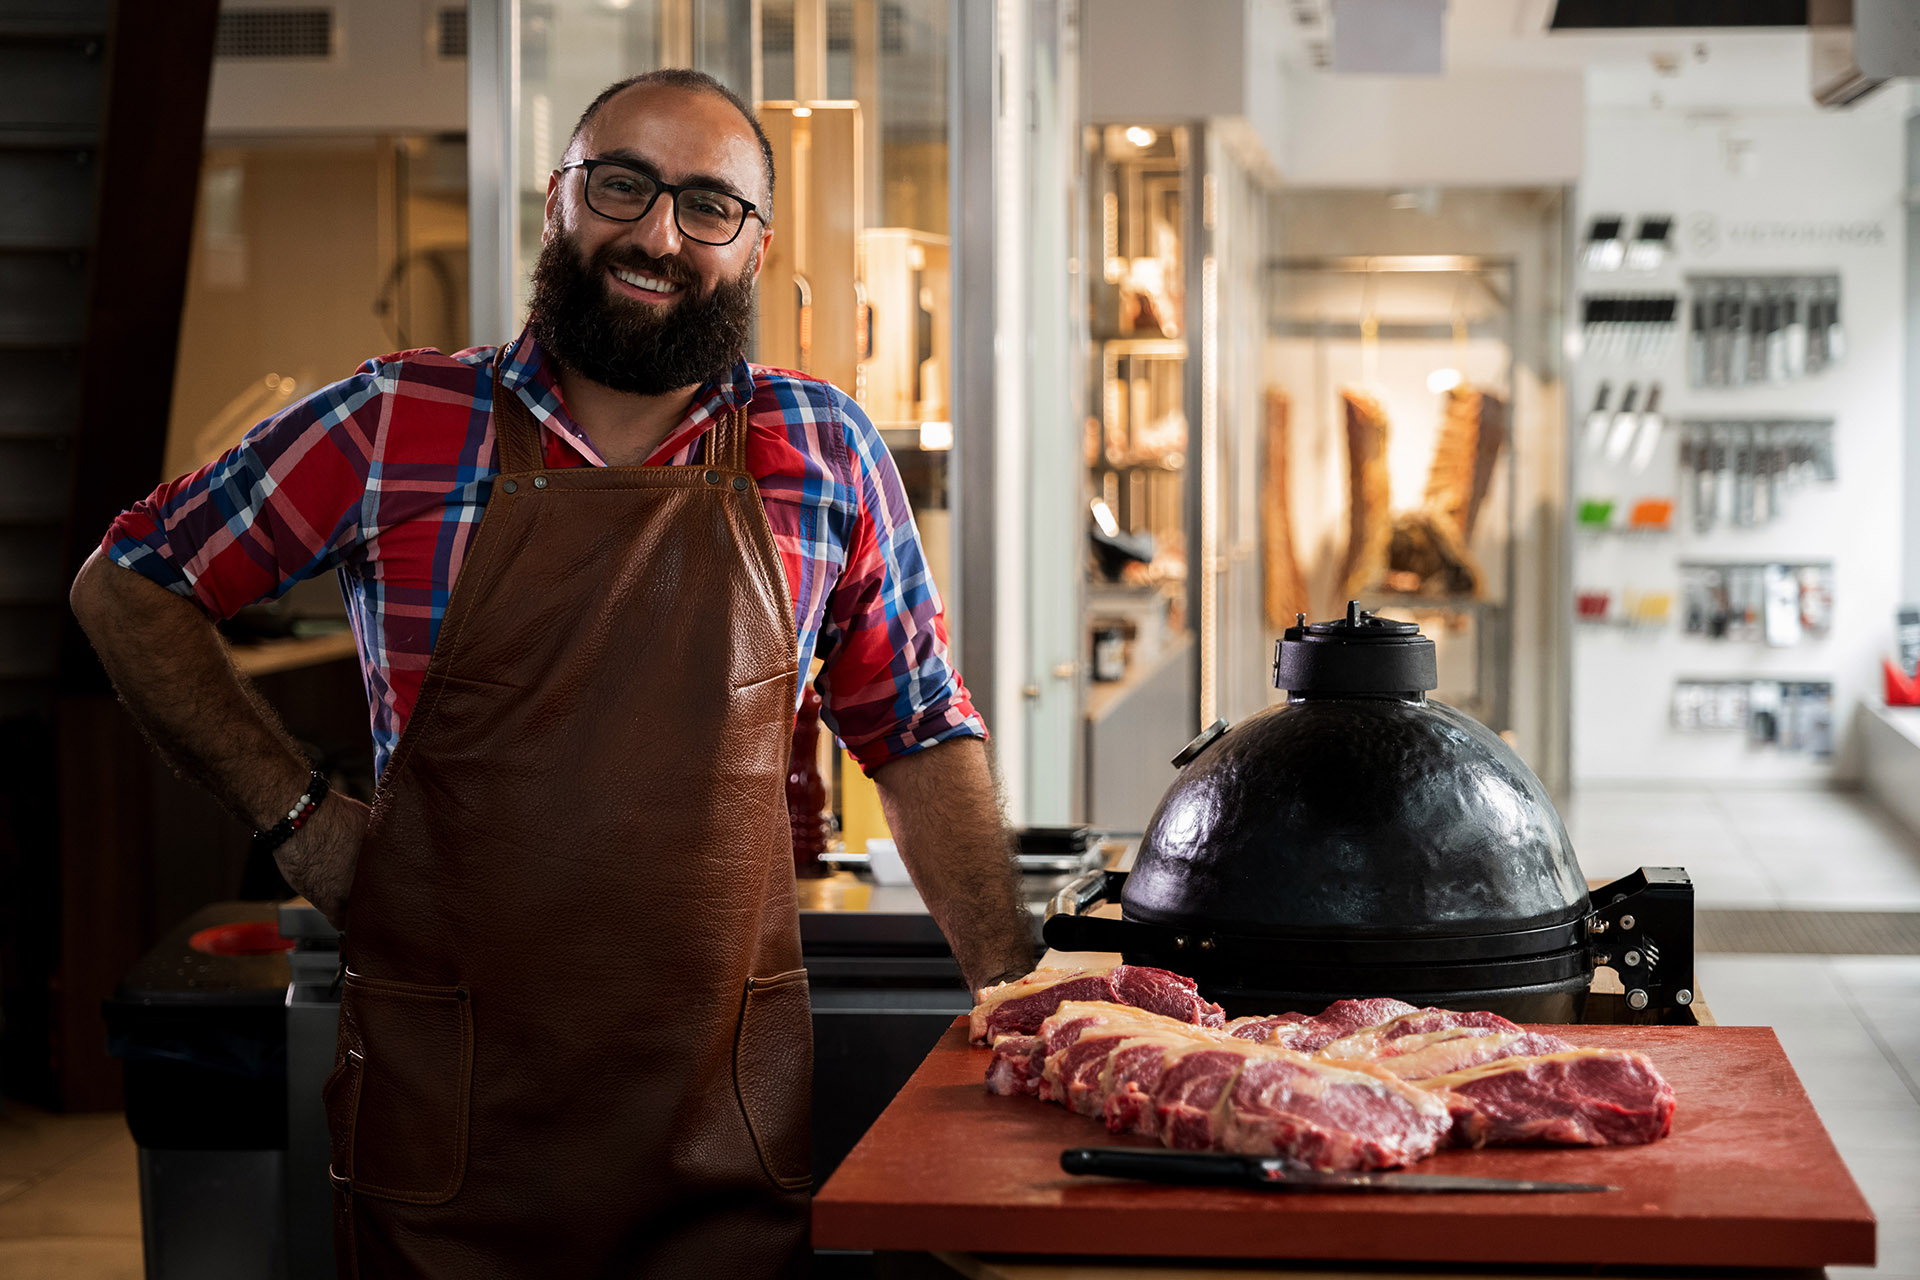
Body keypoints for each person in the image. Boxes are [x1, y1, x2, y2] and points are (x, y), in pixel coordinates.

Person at [70, 68, 1035, 1279]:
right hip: (453, 1111)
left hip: (721, 1110)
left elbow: (918, 731)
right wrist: (305, 819)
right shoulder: (394, 422)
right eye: (621, 185)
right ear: (558, 199)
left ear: (754, 244)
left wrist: (1014, 988)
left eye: (706, 205)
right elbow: (128, 582)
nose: (657, 235)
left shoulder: (826, 448)